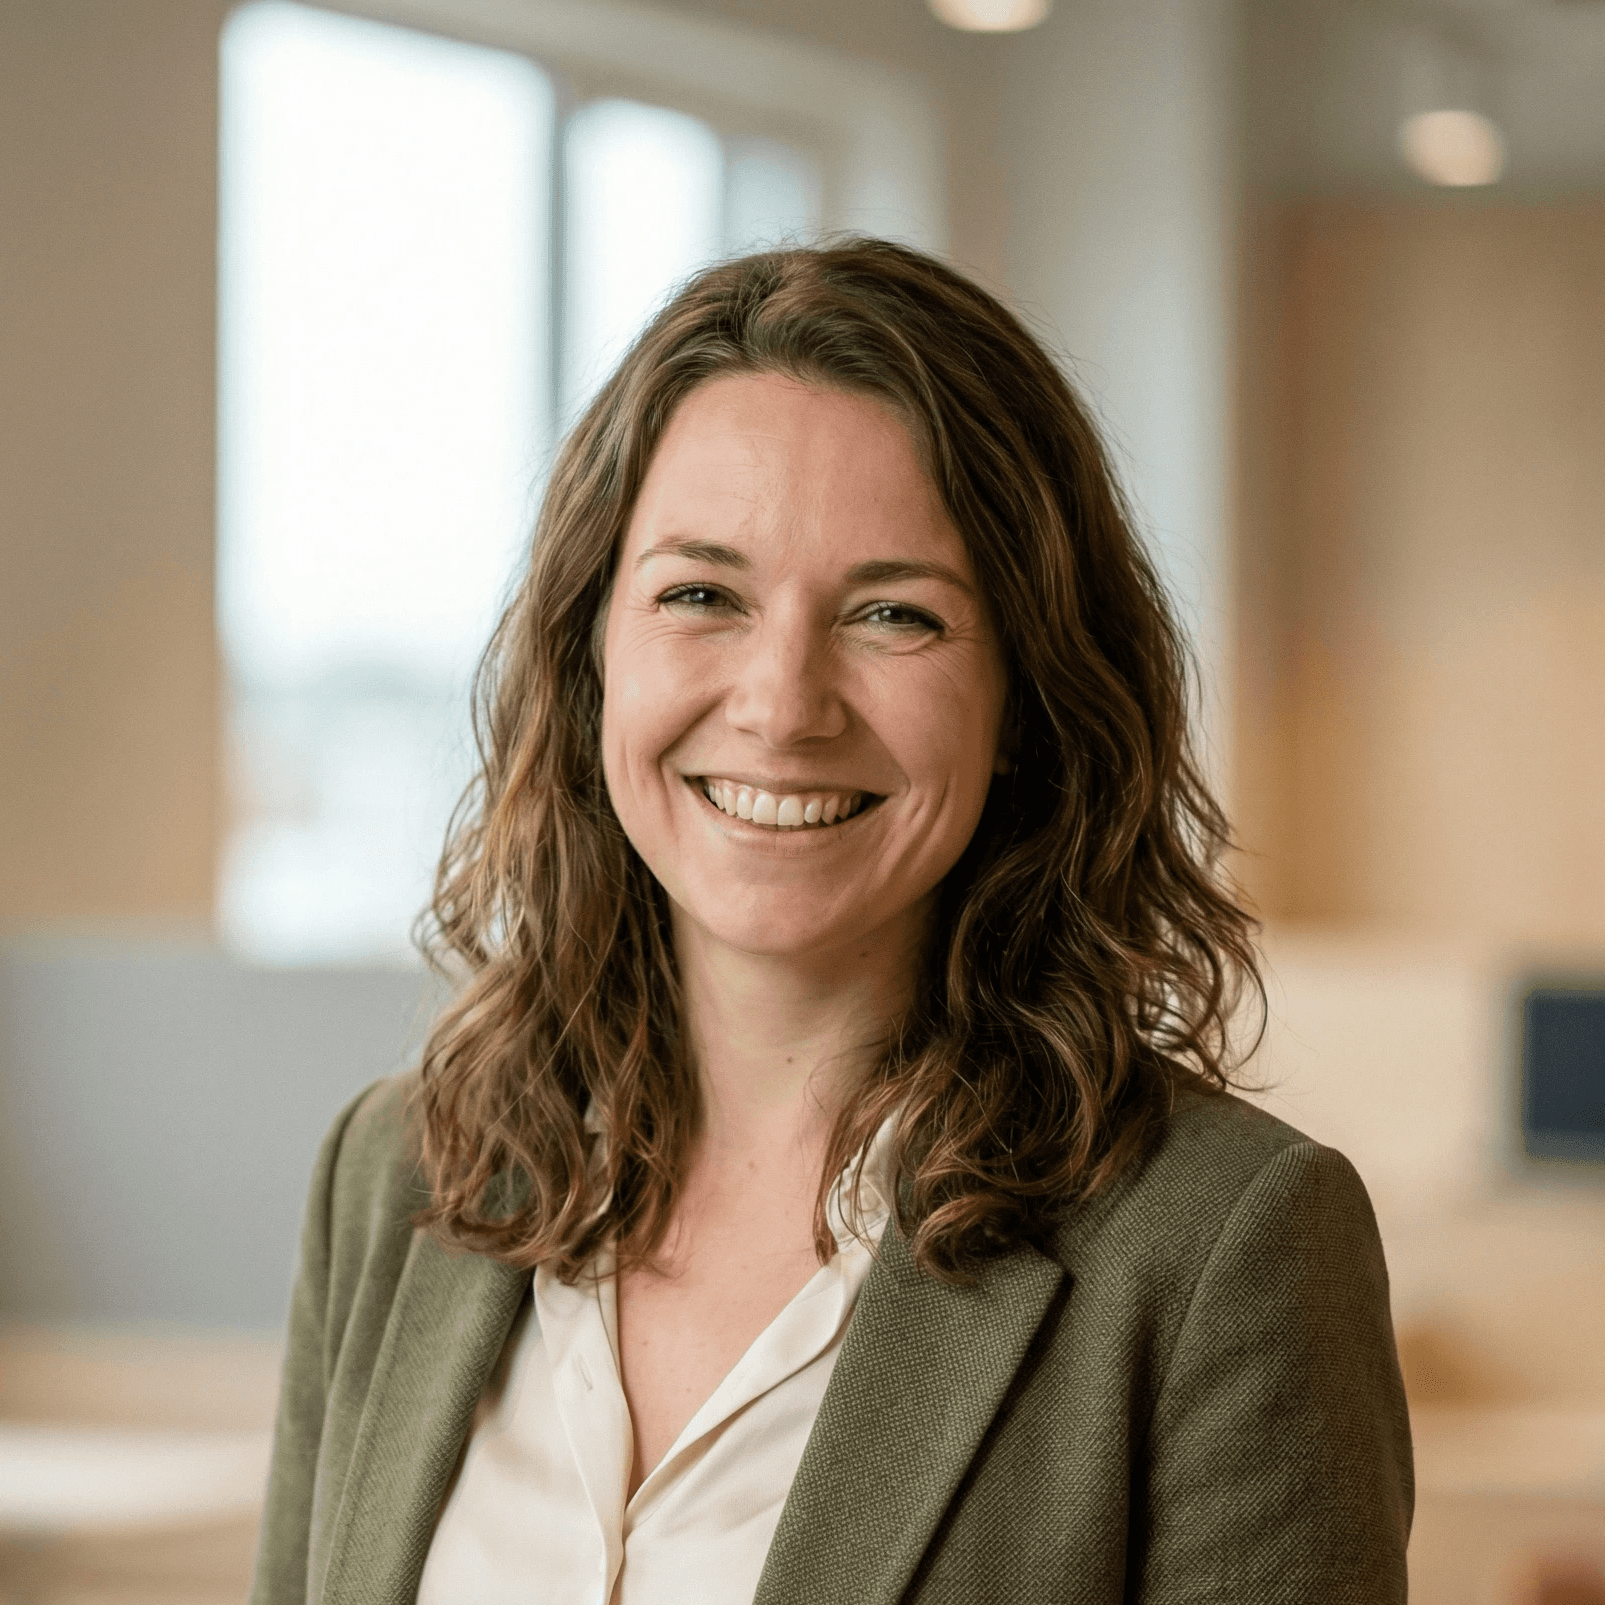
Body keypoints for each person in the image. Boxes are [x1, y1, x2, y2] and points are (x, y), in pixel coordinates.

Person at [251, 239, 1412, 1605]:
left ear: (1030, 697)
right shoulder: (399, 1178)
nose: (785, 702)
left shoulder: (1223, 1247)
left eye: (893, 615)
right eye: (701, 595)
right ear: (588, 653)